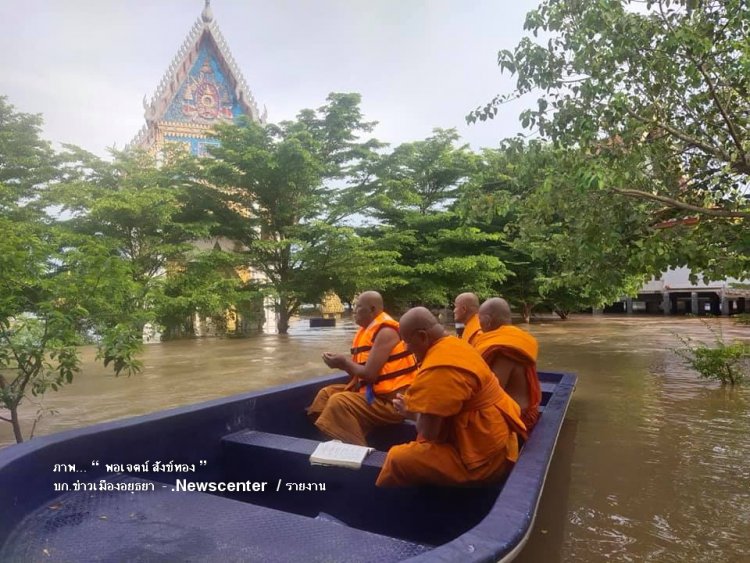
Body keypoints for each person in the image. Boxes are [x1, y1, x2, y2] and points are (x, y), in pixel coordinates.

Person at [376, 307, 526, 487]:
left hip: (483, 459)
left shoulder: (438, 368)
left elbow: (430, 433)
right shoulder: (458, 344)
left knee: (397, 458)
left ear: (423, 336)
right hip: (498, 438)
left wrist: (409, 413)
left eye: (407, 342)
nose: (406, 348)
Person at [306, 291, 418, 446]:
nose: (353, 310)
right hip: (374, 395)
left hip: (395, 403)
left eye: (358, 307)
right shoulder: (367, 331)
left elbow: (369, 375)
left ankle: (358, 452)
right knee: (325, 394)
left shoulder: (386, 332)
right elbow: (362, 371)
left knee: (340, 401)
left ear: (372, 309)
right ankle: (331, 440)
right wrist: (342, 363)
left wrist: (343, 363)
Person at [474, 297, 541, 431]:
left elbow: (491, 393)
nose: (479, 323)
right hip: (516, 409)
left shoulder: (503, 349)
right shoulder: (518, 338)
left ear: (487, 320)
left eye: (479, 319)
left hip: (516, 417)